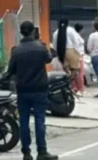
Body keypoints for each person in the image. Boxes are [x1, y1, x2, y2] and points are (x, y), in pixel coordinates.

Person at [5, 21, 58, 160]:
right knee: (40, 120)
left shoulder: (16, 51)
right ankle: (42, 151)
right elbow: (48, 59)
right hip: (40, 89)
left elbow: (10, 71)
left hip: (23, 90)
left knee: (23, 121)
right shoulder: (40, 48)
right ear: (33, 32)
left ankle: (26, 153)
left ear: (21, 32)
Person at [73, 23, 85, 96]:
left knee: (75, 73)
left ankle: (75, 88)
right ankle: (80, 88)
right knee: (80, 73)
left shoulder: (74, 36)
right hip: (79, 56)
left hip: (76, 56)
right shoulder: (77, 37)